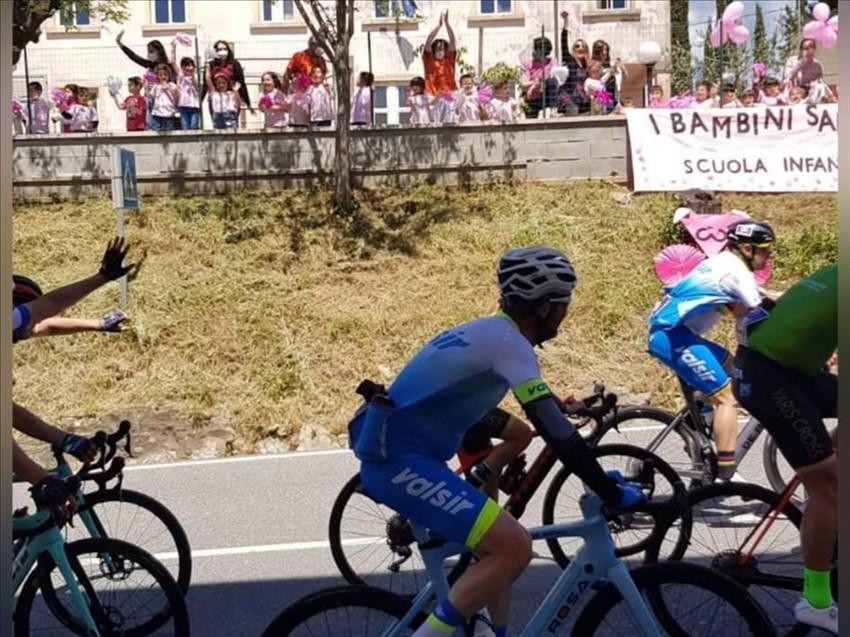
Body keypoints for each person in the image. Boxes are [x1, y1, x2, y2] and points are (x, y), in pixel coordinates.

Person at [350, 246, 644, 637]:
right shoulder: (509, 344)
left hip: (408, 457)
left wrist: (563, 409)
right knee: (514, 548)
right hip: (400, 464)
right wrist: (607, 489)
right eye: (564, 304)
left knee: (496, 549)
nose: (566, 313)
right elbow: (555, 433)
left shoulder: (492, 332)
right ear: (544, 308)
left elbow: (529, 402)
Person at [732, 262, 837, 634]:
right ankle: (817, 600)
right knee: (831, 489)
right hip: (770, 379)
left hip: (784, 371)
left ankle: (826, 520)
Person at [11, 238, 134, 519]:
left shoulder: (14, 323)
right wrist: (43, 479)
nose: (32, 331)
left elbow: (49, 316)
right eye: (27, 323)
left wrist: (98, 321)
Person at [647, 220, 775, 482]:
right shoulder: (735, 271)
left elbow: (754, 301)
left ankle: (696, 423)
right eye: (765, 250)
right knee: (728, 399)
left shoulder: (725, 263)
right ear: (747, 249)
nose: (769, 256)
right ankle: (723, 476)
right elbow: (760, 310)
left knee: (736, 371)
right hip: (673, 336)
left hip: (678, 334)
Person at [422, 9, 458, 123]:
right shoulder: (429, 60)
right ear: (433, 50)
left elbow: (452, 40)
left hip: (449, 94)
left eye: (442, 48)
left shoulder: (449, 60)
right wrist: (438, 26)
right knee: (435, 124)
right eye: (437, 48)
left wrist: (447, 25)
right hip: (433, 95)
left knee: (450, 123)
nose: (440, 50)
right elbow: (428, 41)